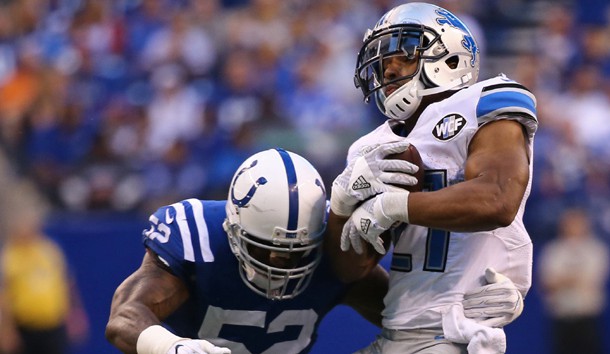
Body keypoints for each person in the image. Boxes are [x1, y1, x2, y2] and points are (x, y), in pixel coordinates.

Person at [105, 148, 522, 354]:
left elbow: (410, 320)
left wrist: (467, 314)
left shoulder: (331, 250)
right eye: (267, 251)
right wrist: (173, 347)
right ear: (233, 232)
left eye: (297, 252)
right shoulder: (199, 236)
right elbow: (125, 316)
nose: (283, 264)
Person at [326, 2, 538, 354]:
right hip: (395, 330)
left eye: (404, 54)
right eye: (382, 62)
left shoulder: (484, 102)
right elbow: (350, 271)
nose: (389, 69)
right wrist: (341, 206)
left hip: (452, 334)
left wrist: (393, 206)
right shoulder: (372, 146)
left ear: (451, 57)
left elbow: (498, 199)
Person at [0, 201, 89, 354]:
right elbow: (4, 296)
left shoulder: (49, 250)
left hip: (53, 325)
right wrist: (6, 330)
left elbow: (67, 283)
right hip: (24, 327)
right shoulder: (9, 256)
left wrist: (75, 314)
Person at [537, 207, 609, 354]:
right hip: (560, 317)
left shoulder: (596, 249)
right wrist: (572, 278)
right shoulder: (552, 250)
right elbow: (547, 282)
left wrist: (562, 279)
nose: (573, 226)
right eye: (569, 222)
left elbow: (591, 279)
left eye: (577, 222)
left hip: (587, 318)